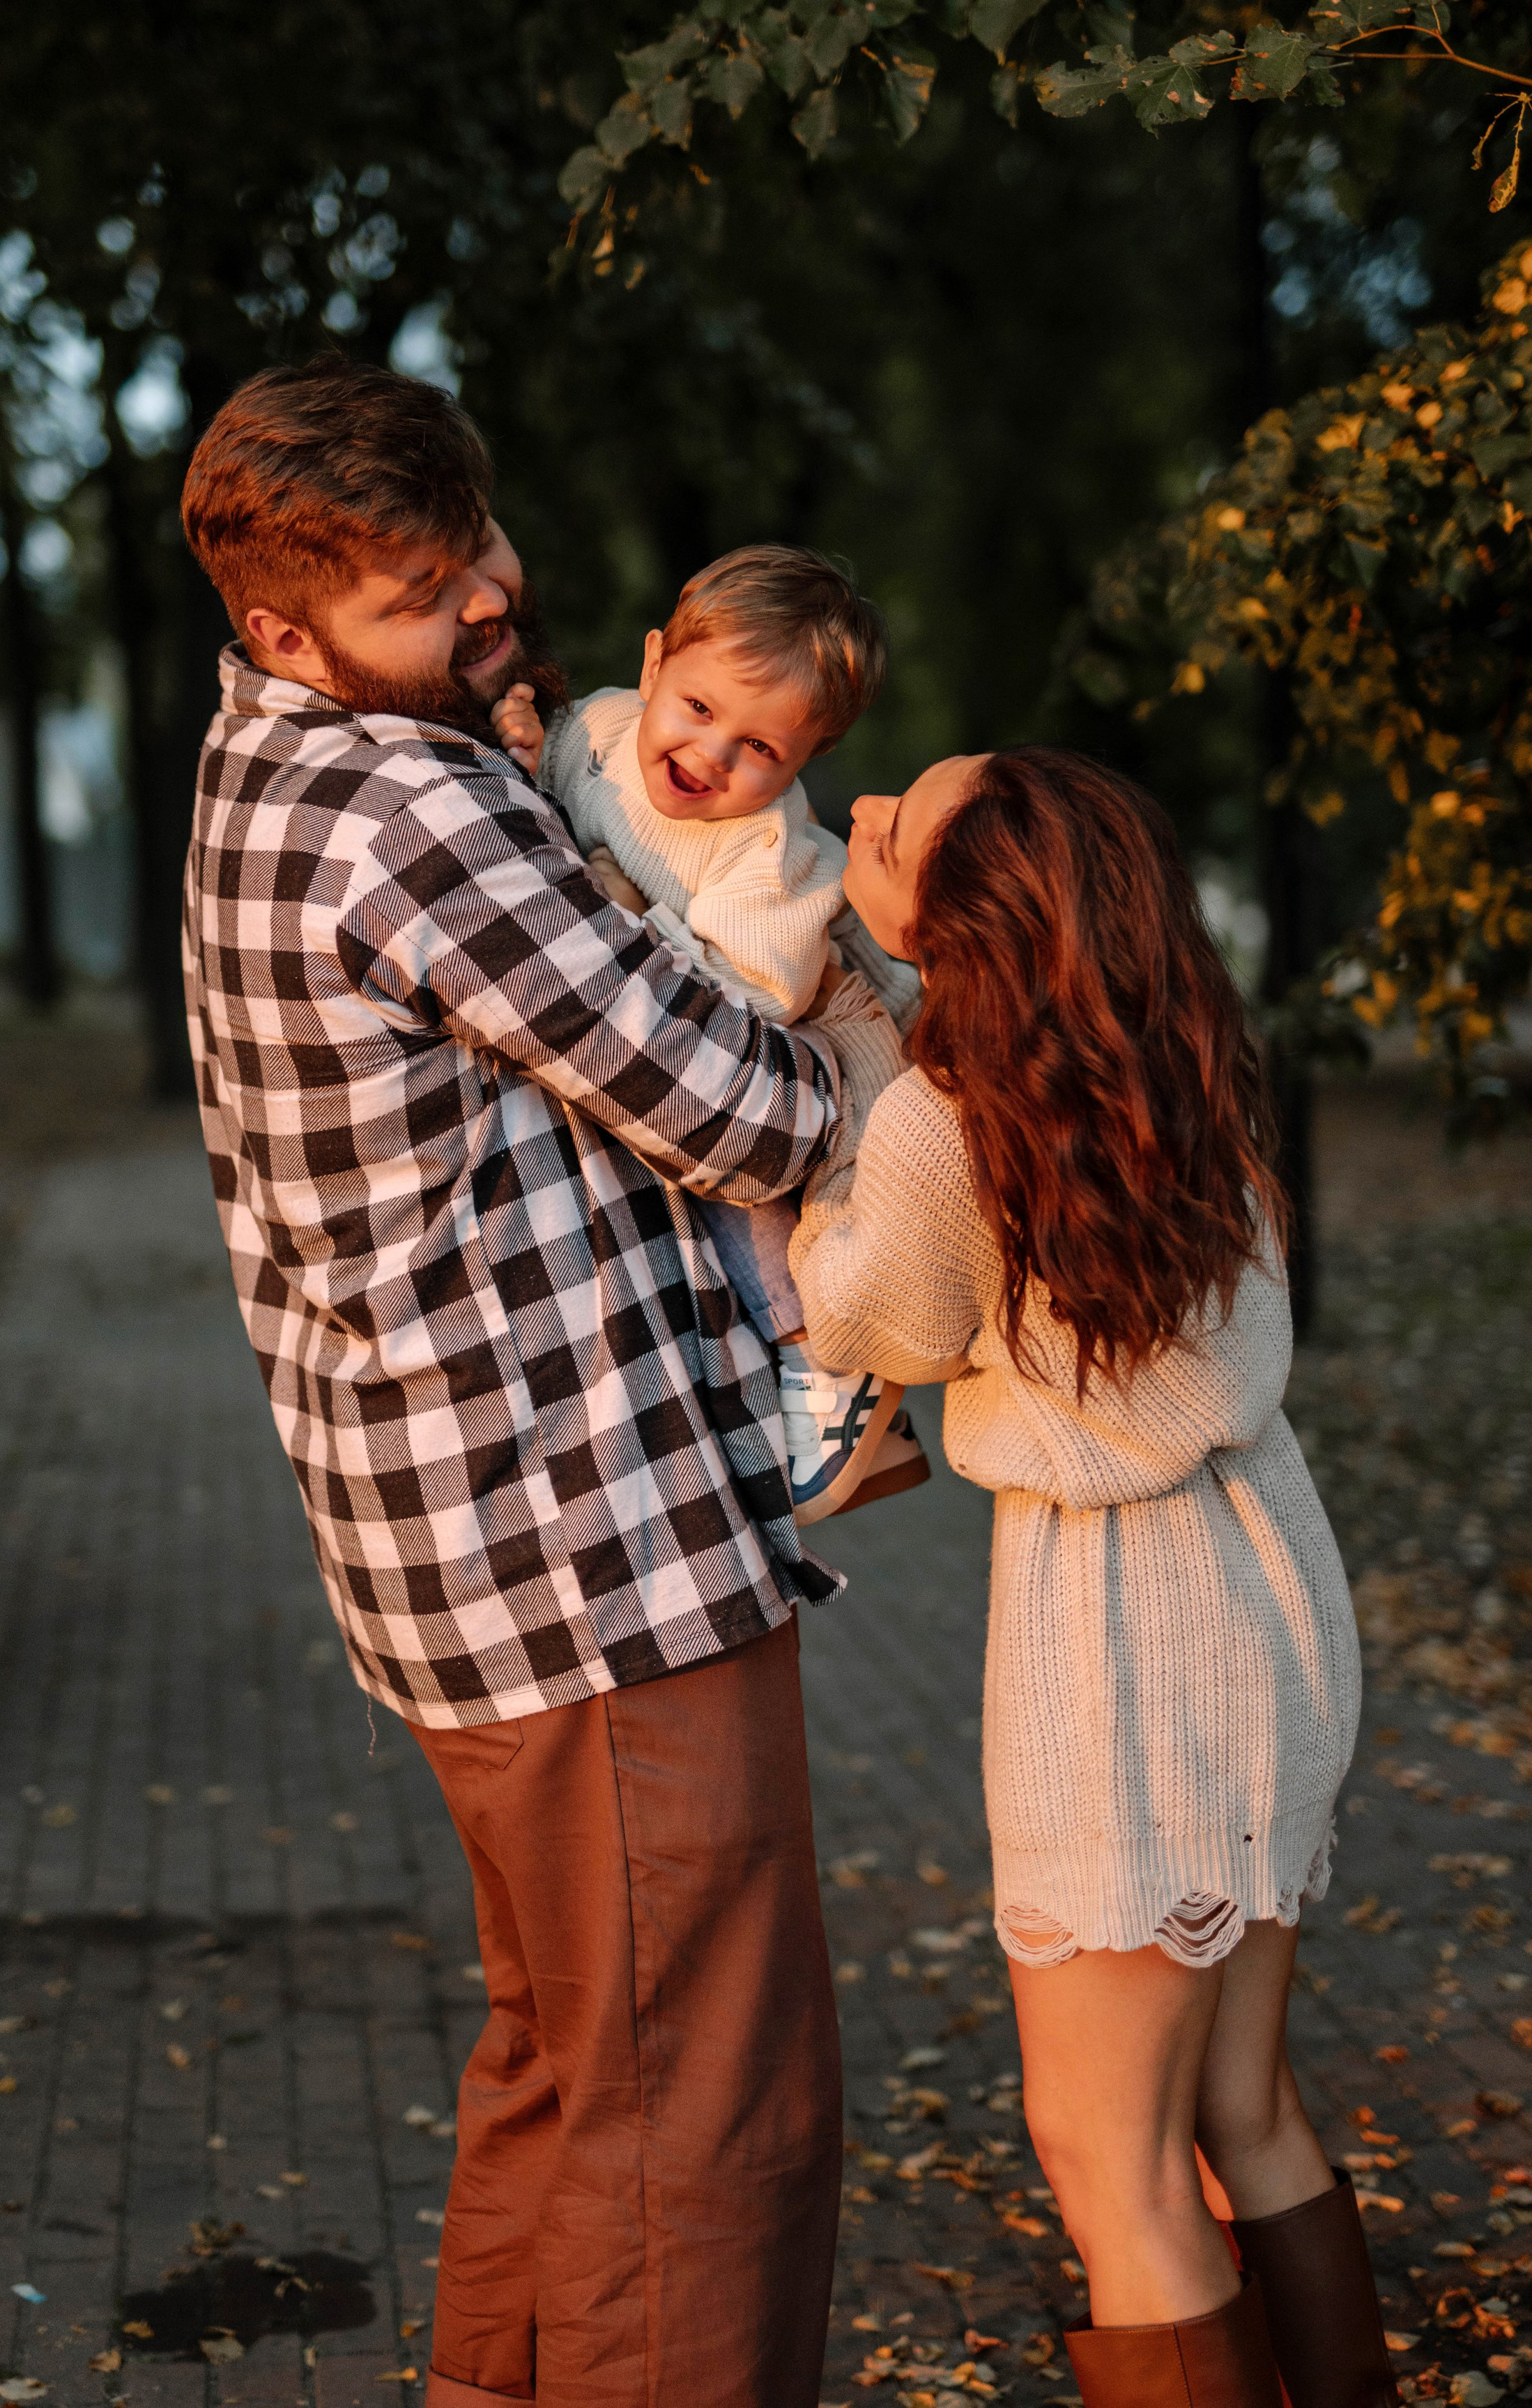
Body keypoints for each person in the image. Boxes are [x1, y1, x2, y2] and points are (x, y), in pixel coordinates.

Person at [178, 353, 903, 2408]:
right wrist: (846, 1025)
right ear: (285, 629)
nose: (488, 597)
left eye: (477, 541)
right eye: (421, 596)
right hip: (592, 1558)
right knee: (700, 2107)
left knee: (569, 2062)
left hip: (462, 1566)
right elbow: (753, 1112)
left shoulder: (262, 763)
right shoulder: (411, 808)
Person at [787, 747, 1387, 2408]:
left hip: (1123, 1650)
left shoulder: (944, 1122)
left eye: (902, 821)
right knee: (1240, 2110)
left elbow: (873, 1319)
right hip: (1268, 1596)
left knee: (1102, 2150)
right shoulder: (1172, 1059)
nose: (863, 817)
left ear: (970, 914)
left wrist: (821, 1200)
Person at [490, 543, 926, 1523]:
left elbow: (752, 1006)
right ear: (653, 666)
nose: (711, 754)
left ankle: (825, 1355)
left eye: (760, 748)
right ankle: (845, 1404)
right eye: (696, 707)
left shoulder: (768, 851)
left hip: (829, 1031)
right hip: (702, 992)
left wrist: (628, 916)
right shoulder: (602, 728)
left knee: (743, 1181)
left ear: (805, 760)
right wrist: (525, 750)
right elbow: (552, 796)